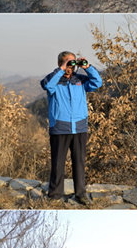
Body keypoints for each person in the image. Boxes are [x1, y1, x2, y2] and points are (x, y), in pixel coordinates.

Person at [40, 51, 102, 205]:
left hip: (80, 128)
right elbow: (47, 85)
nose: (71, 66)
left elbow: (97, 82)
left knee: (79, 162)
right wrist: (61, 69)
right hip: (60, 127)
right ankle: (54, 195)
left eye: (73, 62)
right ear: (61, 63)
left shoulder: (79, 80)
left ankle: (81, 194)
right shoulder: (53, 79)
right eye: (68, 62)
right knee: (58, 162)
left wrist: (87, 67)